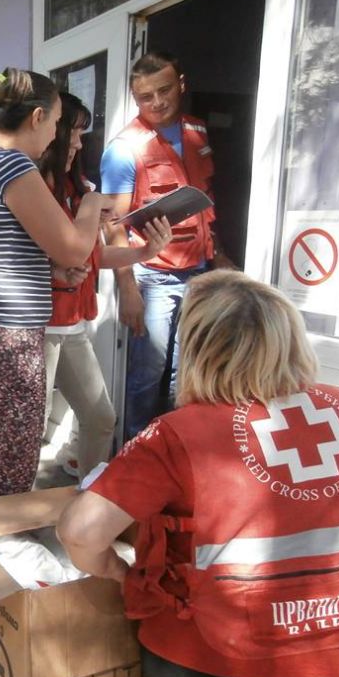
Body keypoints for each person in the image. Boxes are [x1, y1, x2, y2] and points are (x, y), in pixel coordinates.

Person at [57, 270, 339, 677]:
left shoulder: (180, 434)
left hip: (211, 656)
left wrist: (115, 571)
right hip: (332, 646)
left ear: (199, 349)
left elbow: (80, 531)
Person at [0, 68, 105, 501]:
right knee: (8, 467)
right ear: (36, 117)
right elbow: (73, 247)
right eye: (55, 124)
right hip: (5, 343)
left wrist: (48, 274)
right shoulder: (13, 164)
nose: (56, 137)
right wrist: (92, 204)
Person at [101, 51, 234, 440]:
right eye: (145, 97)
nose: (157, 102)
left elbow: (206, 202)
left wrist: (220, 253)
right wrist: (127, 289)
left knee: (189, 372)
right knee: (146, 377)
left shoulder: (197, 131)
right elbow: (114, 225)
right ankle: (133, 461)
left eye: (164, 90)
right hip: (153, 277)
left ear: (181, 84)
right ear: (134, 97)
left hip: (200, 273)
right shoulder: (123, 149)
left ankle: (179, 455)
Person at [41, 93, 172, 479]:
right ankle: (16, 517)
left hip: (72, 325)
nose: (80, 143)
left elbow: (91, 255)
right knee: (27, 434)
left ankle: (91, 501)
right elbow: (33, 260)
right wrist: (60, 269)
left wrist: (145, 250)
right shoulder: (32, 186)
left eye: (82, 134)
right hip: (36, 329)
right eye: (74, 132)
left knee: (100, 418)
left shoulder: (79, 187)